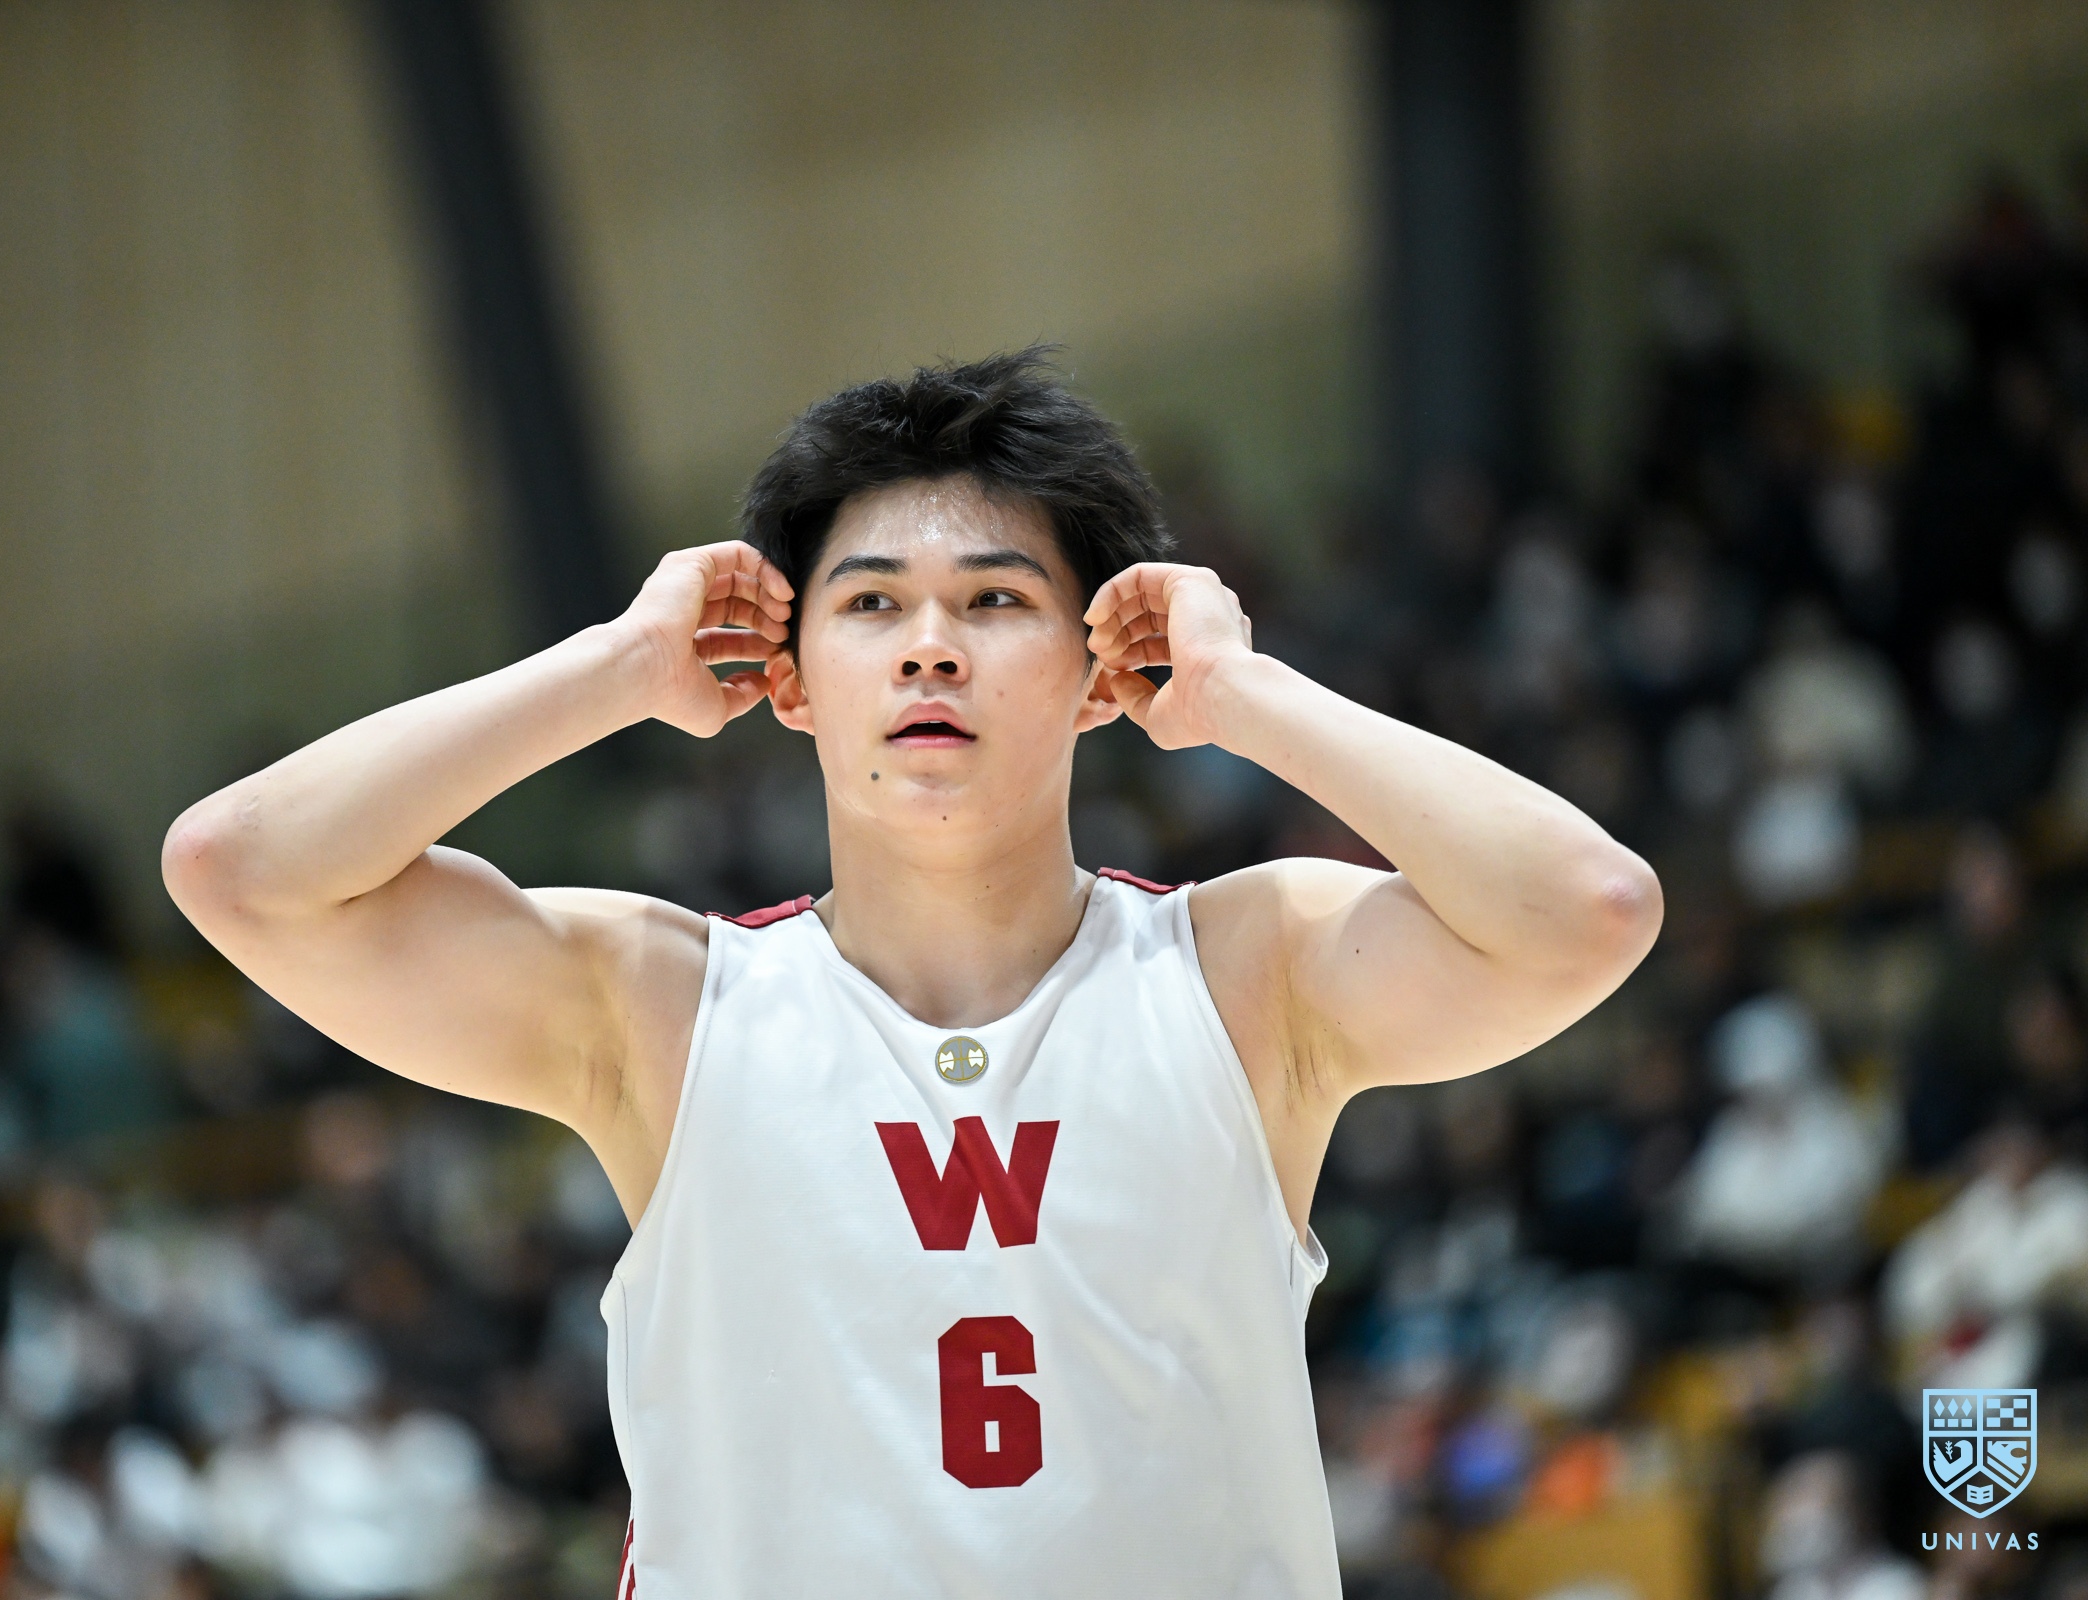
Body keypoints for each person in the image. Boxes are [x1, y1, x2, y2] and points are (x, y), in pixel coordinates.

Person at [161, 350, 1662, 1597]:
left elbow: (1589, 910)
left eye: (997, 601)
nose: (931, 647)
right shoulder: (660, 1007)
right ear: (788, 677)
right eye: (872, 602)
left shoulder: (1246, 974)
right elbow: (239, 871)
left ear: (1100, 671)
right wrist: (615, 667)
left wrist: (1245, 692)